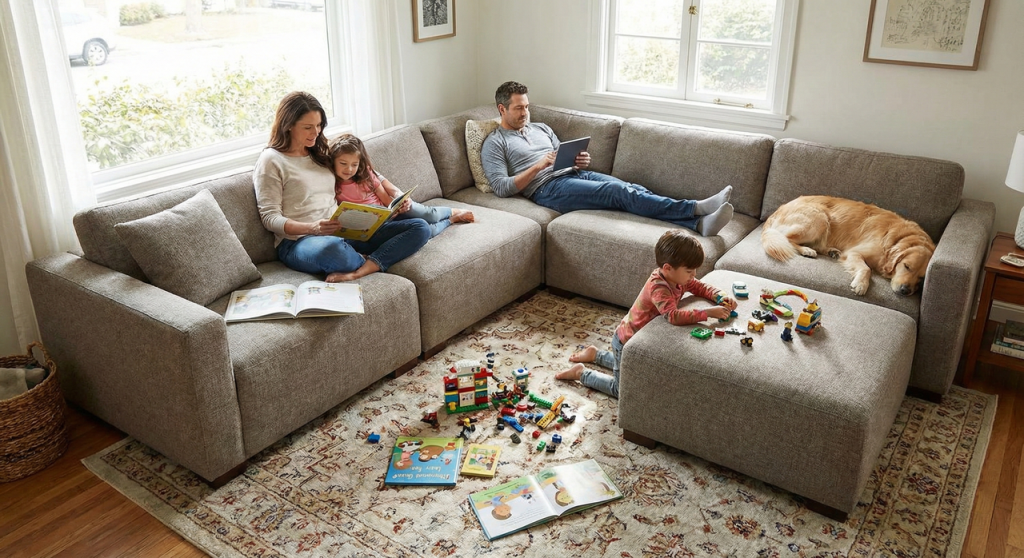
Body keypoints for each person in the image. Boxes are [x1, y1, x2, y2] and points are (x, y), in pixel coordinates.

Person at [481, 81, 734, 236]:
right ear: (502, 109)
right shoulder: (495, 142)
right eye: (519, 108)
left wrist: (576, 160)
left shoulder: (541, 128)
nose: (525, 112)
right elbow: (502, 188)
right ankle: (694, 208)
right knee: (616, 191)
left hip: (572, 174)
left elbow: (560, 156)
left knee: (631, 188)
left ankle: (699, 225)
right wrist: (539, 166)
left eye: (526, 106)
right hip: (547, 189)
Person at [254, 92, 430, 283]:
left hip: (343, 231)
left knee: (420, 227)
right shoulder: (271, 160)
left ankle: (361, 269)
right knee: (333, 250)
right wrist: (312, 228)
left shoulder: (320, 152)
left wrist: (396, 196)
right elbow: (270, 218)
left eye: (319, 125)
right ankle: (364, 257)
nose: (316, 133)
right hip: (300, 241)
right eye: (307, 127)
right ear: (288, 126)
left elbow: (365, 171)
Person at [556, 230, 738, 397]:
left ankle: (595, 355)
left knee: (625, 365)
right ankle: (582, 373)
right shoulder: (659, 287)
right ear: (667, 268)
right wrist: (708, 313)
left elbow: (699, 286)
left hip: (633, 338)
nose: (694, 275)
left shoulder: (680, 279)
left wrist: (720, 295)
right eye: (689, 271)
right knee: (620, 389)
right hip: (627, 339)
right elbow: (672, 316)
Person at [329, 134, 474, 238]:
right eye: (343, 164)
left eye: (354, 165)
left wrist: (395, 209)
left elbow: (387, 200)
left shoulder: (365, 174)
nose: (349, 169)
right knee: (425, 230)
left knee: (428, 215)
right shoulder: (330, 183)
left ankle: (453, 211)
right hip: (368, 224)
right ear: (333, 161)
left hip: (387, 215)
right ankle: (451, 220)